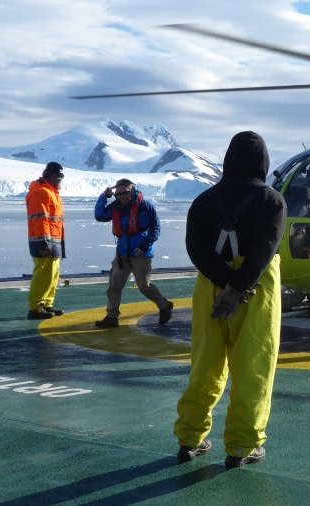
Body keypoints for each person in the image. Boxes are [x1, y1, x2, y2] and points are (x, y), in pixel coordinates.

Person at [174, 131, 287, 470]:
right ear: (262, 161)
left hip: (210, 287)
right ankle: (241, 446)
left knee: (204, 365)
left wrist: (223, 282)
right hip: (257, 292)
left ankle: (189, 438)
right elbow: (265, 250)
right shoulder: (272, 201)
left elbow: (196, 248)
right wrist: (239, 286)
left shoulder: (204, 201)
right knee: (253, 368)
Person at [93, 179, 173, 328]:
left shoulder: (146, 206)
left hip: (140, 253)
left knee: (144, 286)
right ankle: (111, 317)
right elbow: (99, 215)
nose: (123, 196)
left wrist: (144, 245)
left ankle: (164, 305)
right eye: (119, 194)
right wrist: (103, 197)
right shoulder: (115, 207)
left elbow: (155, 228)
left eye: (126, 192)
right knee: (114, 286)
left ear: (133, 191)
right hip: (122, 253)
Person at [26, 162, 66, 319]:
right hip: (43, 240)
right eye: (57, 176)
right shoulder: (40, 192)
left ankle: (47, 304)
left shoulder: (52, 191)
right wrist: (44, 242)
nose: (60, 179)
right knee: (43, 273)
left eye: (61, 176)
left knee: (53, 274)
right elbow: (39, 219)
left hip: (54, 239)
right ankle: (35, 308)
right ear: (47, 175)